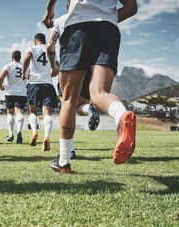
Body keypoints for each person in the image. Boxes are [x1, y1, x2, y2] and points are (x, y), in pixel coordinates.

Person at [43, 0, 138, 173]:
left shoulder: (63, 19)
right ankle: (122, 115)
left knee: (69, 99)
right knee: (99, 93)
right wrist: (106, 16)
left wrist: (49, 9)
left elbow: (50, 44)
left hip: (78, 28)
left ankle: (64, 161)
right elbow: (131, 7)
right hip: (108, 30)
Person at [22, 33, 59, 151]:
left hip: (34, 84)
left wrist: (24, 72)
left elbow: (27, 57)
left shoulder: (31, 49)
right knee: (47, 113)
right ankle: (47, 136)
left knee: (33, 112)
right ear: (44, 41)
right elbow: (57, 66)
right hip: (47, 84)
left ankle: (34, 132)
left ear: (35, 41)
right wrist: (54, 70)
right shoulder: (51, 50)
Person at [56, 69, 100, 159]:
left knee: (67, 106)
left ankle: (69, 150)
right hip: (87, 71)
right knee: (78, 106)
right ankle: (88, 108)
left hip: (70, 64)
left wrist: (53, 66)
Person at [0, 50, 27, 143]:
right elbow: (30, 79)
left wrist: (1, 86)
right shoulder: (25, 67)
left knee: (10, 113)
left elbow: (0, 78)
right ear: (20, 57)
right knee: (19, 112)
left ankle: (11, 134)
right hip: (21, 93)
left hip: (10, 92)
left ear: (12, 57)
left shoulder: (8, 66)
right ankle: (19, 131)